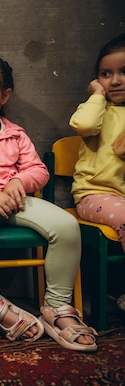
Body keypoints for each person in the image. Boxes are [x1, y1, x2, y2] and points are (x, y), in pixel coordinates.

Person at [0, 55, 98, 352]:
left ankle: (57, 307)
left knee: (66, 225)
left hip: (16, 200)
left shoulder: (15, 134)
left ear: (6, 95)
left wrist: (18, 182)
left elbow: (38, 170)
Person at [68, 33, 125, 311]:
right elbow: (84, 125)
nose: (115, 80)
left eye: (123, 72)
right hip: (94, 195)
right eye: (106, 74)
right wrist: (98, 96)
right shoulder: (98, 109)